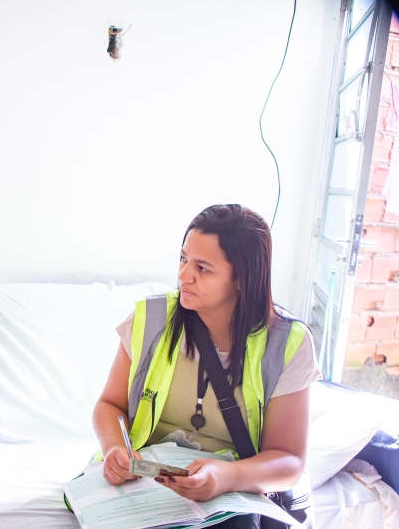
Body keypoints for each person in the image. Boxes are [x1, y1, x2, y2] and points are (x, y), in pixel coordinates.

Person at [93, 204, 321, 528]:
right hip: (144, 484)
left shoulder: (289, 344)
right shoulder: (151, 319)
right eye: (183, 259)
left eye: (203, 268)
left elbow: (289, 461)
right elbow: (108, 405)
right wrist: (115, 448)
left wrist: (227, 477)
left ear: (242, 278)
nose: (184, 276)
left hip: (230, 493)